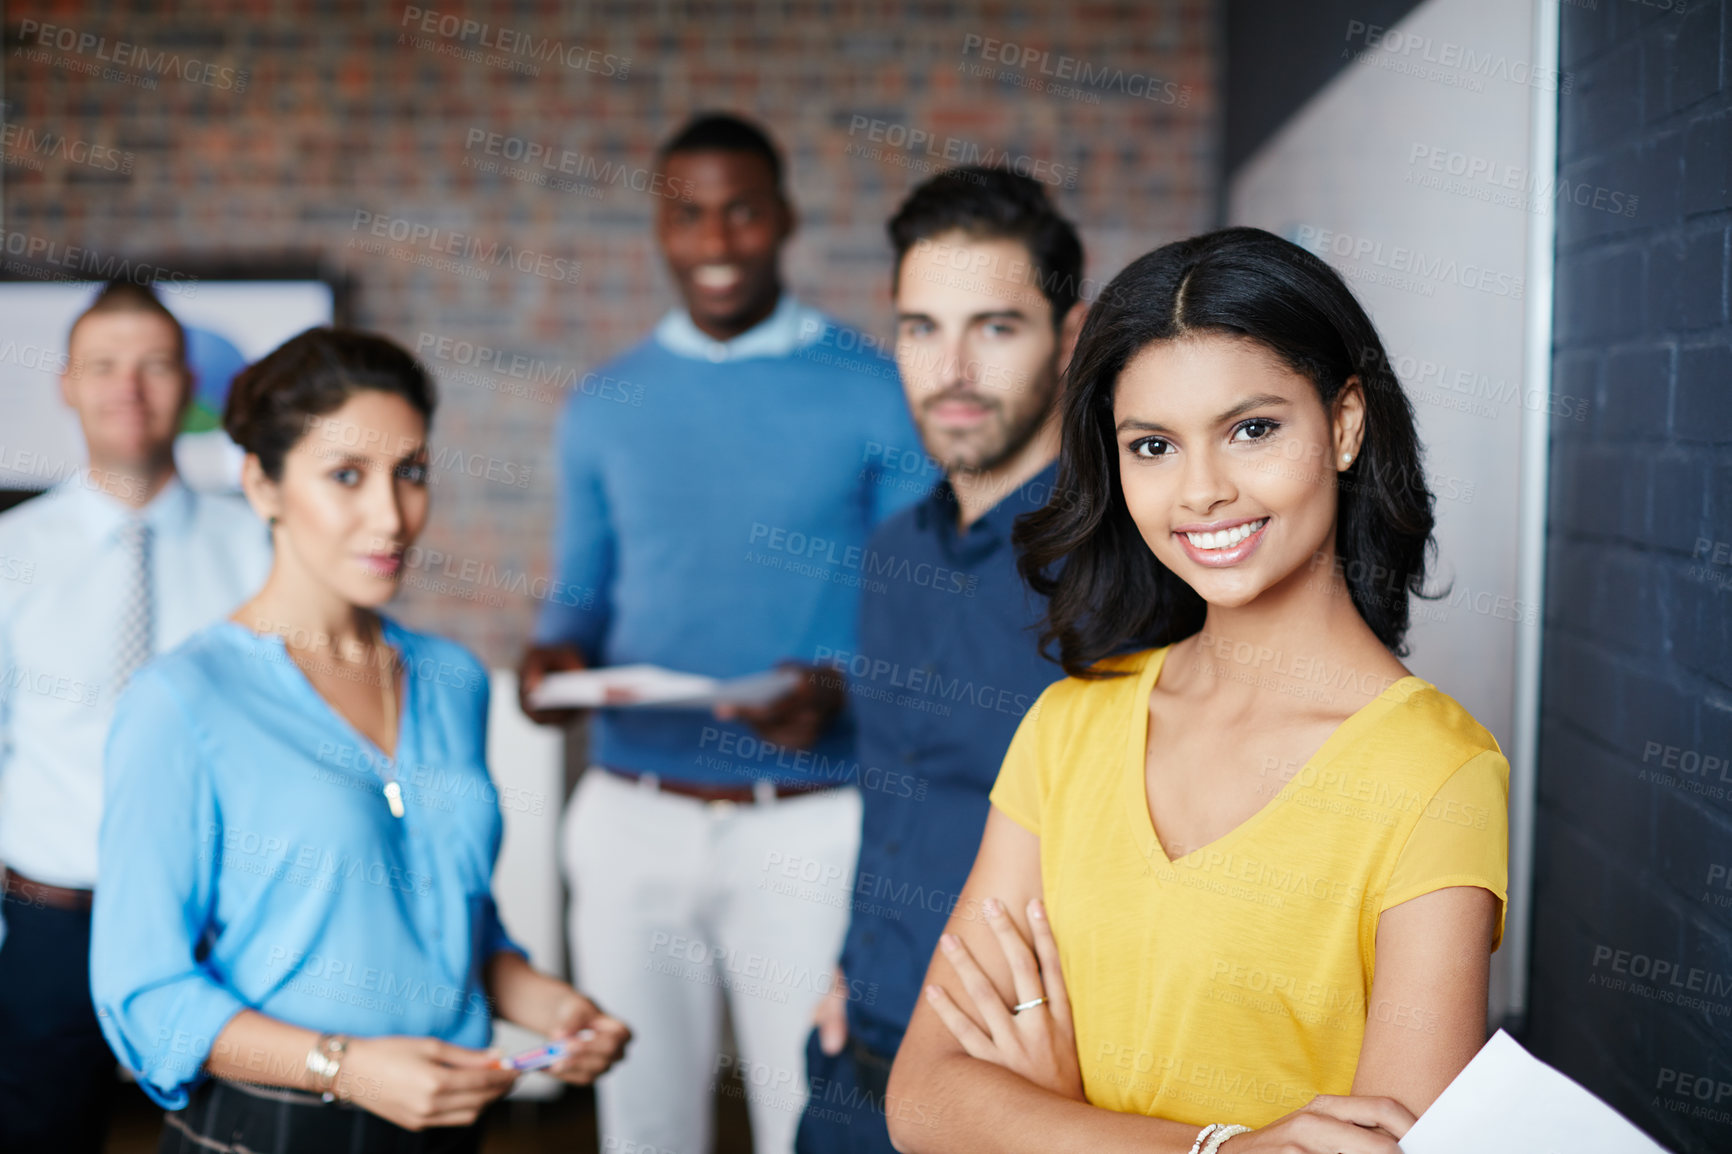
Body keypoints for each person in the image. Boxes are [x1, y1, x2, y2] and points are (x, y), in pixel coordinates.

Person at [885, 227, 1511, 1154]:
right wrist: (1216, 1149)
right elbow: (924, 1100)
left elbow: (1389, 1147)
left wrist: (1055, 1120)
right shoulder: (1069, 725)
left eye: (1251, 429)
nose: (1202, 491)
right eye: (1153, 446)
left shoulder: (1435, 772)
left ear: (1342, 425)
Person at [90, 328, 629, 1154]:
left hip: (447, 1127)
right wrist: (342, 1067)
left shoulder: (453, 680)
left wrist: (553, 1004)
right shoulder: (182, 701)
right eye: (347, 476)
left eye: (410, 473)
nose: (391, 515)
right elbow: (144, 992)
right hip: (268, 1131)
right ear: (262, 484)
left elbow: (454, 923)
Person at [516, 111, 929, 1154]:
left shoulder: (876, 390)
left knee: (810, 1113)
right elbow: (580, 595)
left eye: (740, 212)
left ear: (782, 218)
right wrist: (551, 657)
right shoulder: (604, 405)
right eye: (689, 216)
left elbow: (920, 614)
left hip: (806, 819)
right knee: (642, 1120)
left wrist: (839, 687)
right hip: (630, 815)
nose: (715, 243)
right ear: (660, 227)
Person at [794, 166, 1084, 1153]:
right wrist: (851, 964)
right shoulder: (891, 553)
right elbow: (898, 790)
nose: (950, 366)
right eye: (921, 327)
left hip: (1009, 1096)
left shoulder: (1123, 573)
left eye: (994, 327)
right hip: (851, 1059)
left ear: (1069, 336)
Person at [0, 281, 274, 1153]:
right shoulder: (11, 556)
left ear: (188, 385)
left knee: (235, 1138)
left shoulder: (263, 550)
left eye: (155, 365)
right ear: (67, 384)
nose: (130, 388)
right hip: (50, 925)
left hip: (226, 929)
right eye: (104, 366)